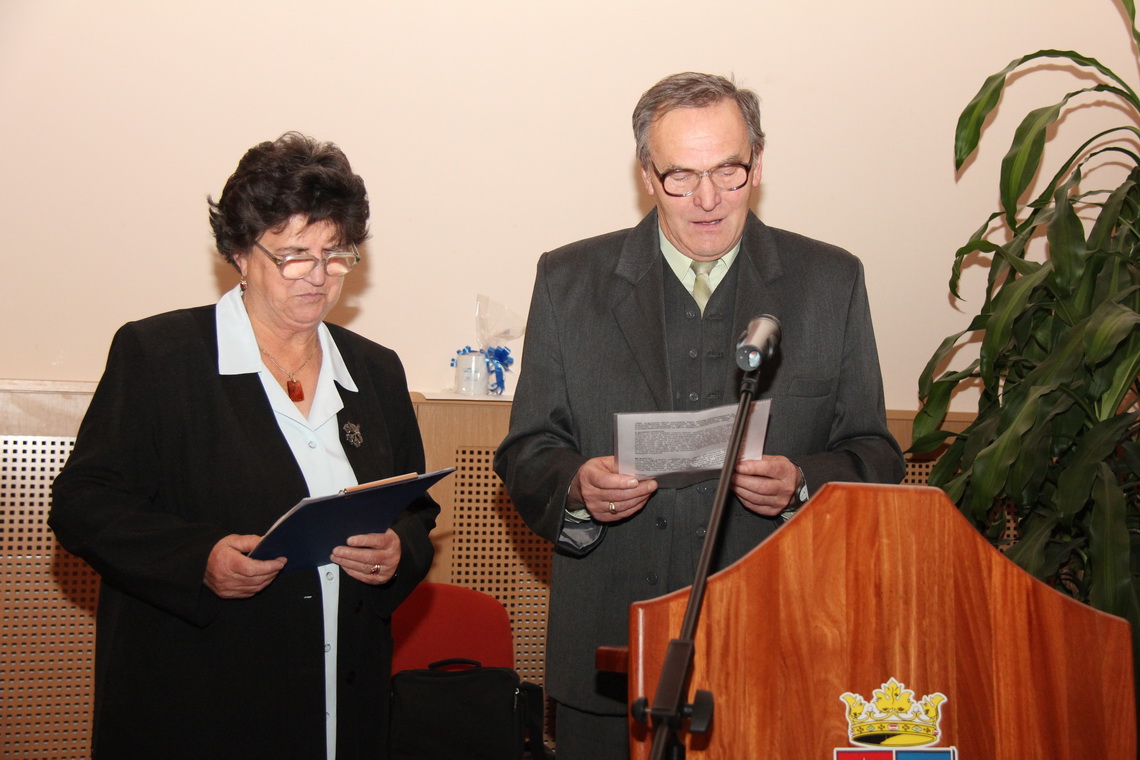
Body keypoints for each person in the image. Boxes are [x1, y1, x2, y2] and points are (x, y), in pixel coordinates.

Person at [493, 72, 905, 758]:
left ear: (758, 165)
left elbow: (876, 454)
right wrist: (579, 489)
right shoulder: (568, 280)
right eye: (681, 176)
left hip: (779, 648)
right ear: (647, 176)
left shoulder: (830, 281)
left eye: (728, 171)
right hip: (610, 650)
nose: (708, 199)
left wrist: (801, 482)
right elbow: (528, 449)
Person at [50, 132, 439, 760]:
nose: (318, 276)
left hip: (346, 695)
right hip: (201, 697)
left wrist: (398, 550)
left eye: (336, 255)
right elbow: (83, 503)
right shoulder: (160, 356)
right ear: (239, 251)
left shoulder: (376, 370)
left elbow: (414, 509)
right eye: (294, 255)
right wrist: (197, 558)